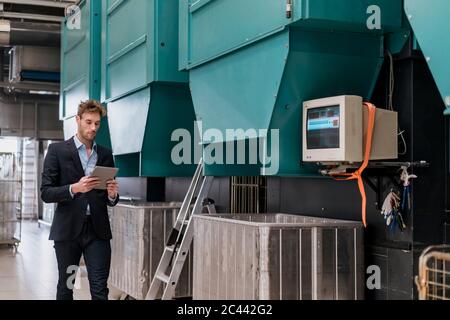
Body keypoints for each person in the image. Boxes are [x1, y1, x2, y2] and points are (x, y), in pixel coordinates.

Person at [41, 100, 119, 300]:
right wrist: (74, 188)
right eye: (88, 122)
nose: (93, 128)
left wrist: (112, 195)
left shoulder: (105, 154)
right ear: (77, 120)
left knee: (100, 289)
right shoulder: (57, 151)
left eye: (97, 124)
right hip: (68, 232)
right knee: (66, 287)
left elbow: (108, 196)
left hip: (97, 231)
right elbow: (46, 192)